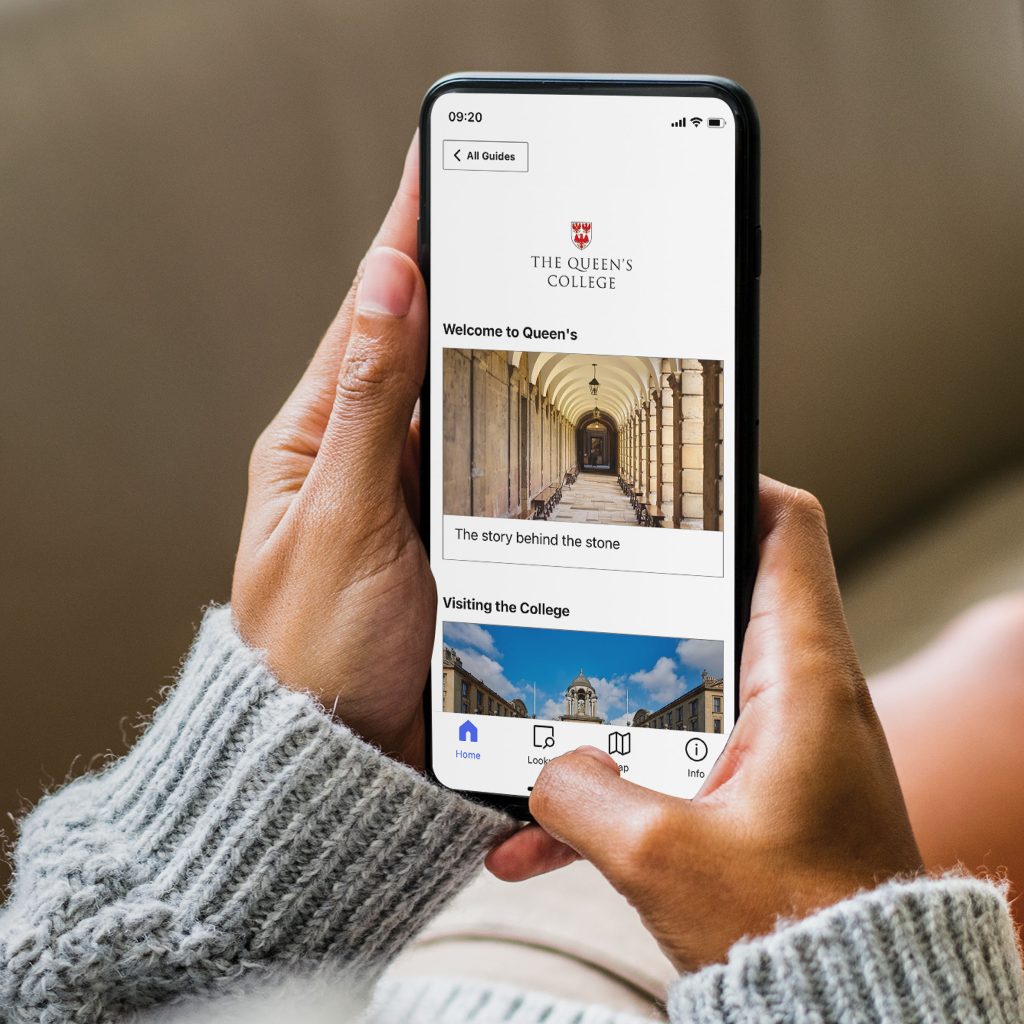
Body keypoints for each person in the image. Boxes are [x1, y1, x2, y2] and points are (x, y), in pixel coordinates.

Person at [1, 138, 1022, 1024]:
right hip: (536, 977)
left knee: (1001, 670)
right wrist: (843, 952)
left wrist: (256, 811)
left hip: (457, 976)